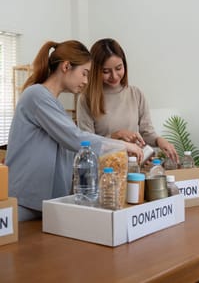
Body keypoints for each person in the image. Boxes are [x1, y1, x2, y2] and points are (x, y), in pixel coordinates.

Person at [6, 40, 143, 221]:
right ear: (66, 66)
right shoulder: (37, 96)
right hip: (26, 200)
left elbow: (73, 148)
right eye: (84, 73)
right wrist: (122, 146)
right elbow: (75, 138)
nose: (86, 81)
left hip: (45, 201)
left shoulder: (53, 103)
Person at [77, 38, 178, 162]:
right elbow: (87, 144)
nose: (114, 76)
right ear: (95, 71)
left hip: (134, 166)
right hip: (105, 169)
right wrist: (115, 136)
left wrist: (159, 141)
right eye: (106, 71)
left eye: (119, 68)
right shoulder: (86, 99)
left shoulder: (136, 94)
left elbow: (147, 132)